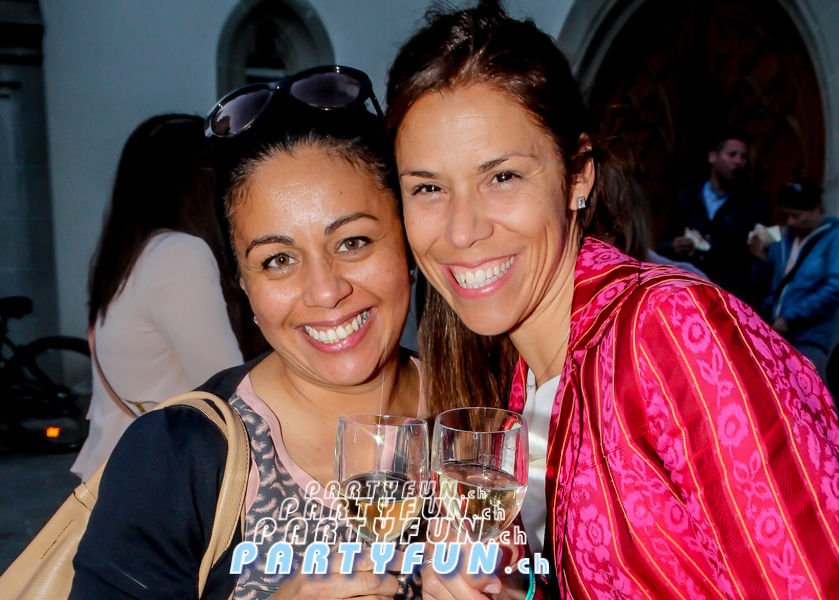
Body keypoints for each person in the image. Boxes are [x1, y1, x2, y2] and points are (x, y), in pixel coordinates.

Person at [386, 3, 839, 599]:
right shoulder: (516, 377)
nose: (461, 230)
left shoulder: (668, 331)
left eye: (502, 177)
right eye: (428, 187)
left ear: (578, 175)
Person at [70, 66, 423, 600]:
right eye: (278, 259)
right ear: (243, 284)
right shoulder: (174, 459)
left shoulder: (488, 409)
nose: (325, 291)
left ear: (408, 242)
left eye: (353, 242)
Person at [71, 114, 247, 481]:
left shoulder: (128, 255)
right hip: (154, 481)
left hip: (116, 472)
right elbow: (229, 389)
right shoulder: (179, 254)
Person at [657, 127, 770, 306]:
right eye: (732, 155)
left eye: (743, 157)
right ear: (713, 157)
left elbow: (757, 259)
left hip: (727, 297)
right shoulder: (687, 199)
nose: (738, 162)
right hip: (687, 293)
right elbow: (662, 245)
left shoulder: (752, 204)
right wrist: (675, 246)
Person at [750, 179, 839, 380]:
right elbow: (766, 285)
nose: (790, 222)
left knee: (807, 391)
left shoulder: (833, 237)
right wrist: (760, 259)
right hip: (775, 333)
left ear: (815, 208)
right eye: (786, 215)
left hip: (809, 337)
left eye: (796, 215)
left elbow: (834, 288)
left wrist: (791, 318)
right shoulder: (785, 238)